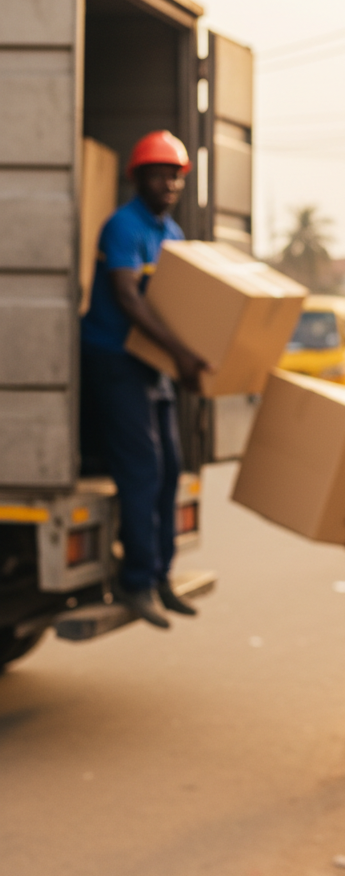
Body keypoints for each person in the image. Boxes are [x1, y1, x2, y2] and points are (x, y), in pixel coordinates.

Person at [79, 131, 208, 629]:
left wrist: (192, 360)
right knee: (142, 470)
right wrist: (183, 355)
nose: (169, 182)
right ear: (138, 178)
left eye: (175, 175)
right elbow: (130, 301)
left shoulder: (171, 233)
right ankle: (135, 582)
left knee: (171, 467)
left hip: (151, 364)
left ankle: (159, 575)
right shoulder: (122, 228)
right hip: (115, 358)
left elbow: (179, 306)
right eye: (159, 173)